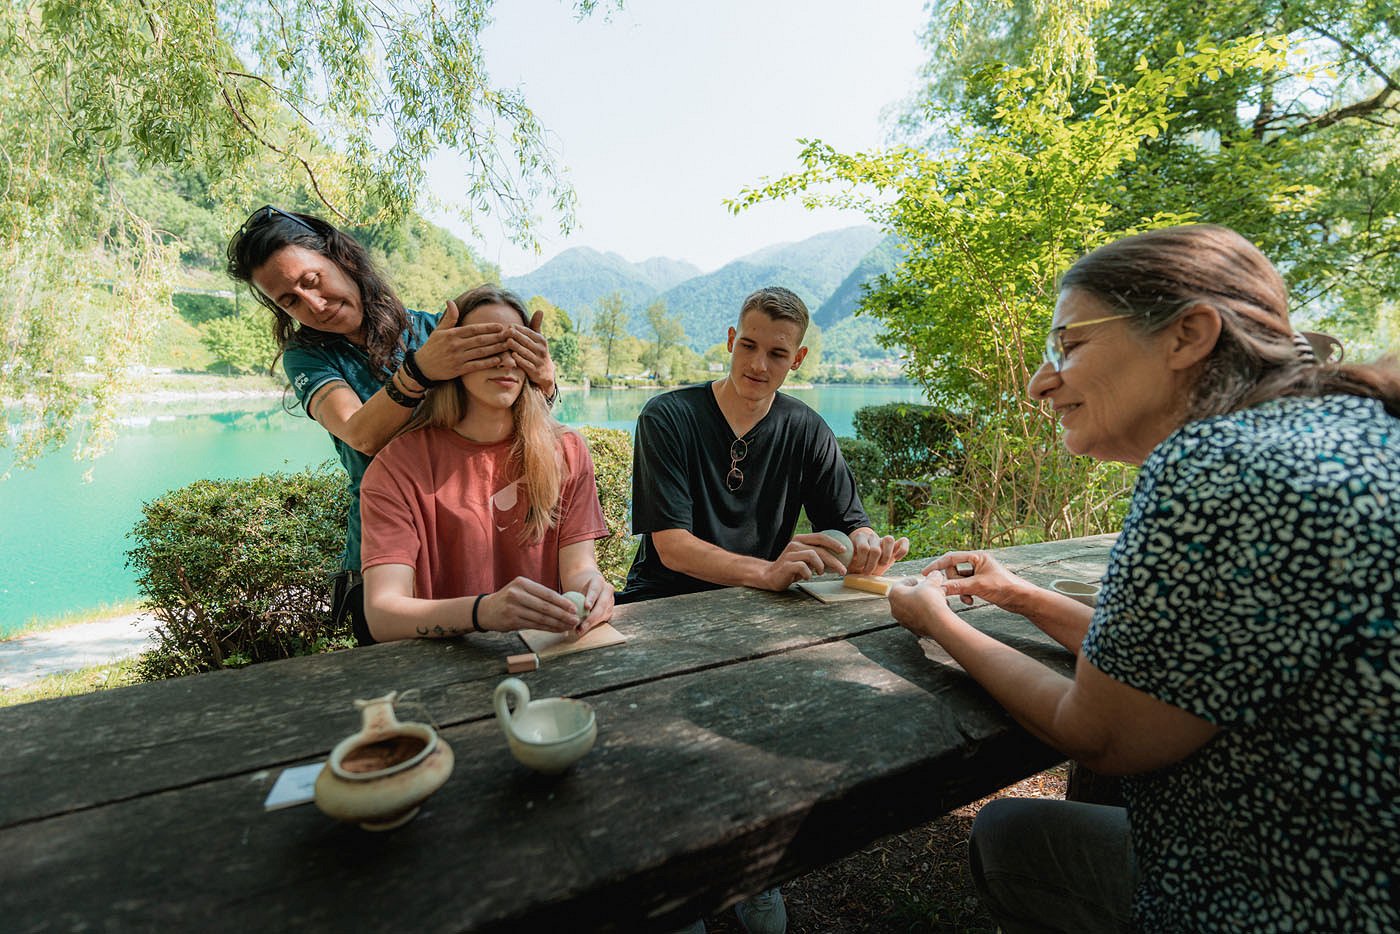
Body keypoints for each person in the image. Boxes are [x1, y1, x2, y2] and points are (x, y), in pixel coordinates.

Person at [886, 225, 1399, 933]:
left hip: (1298, 897)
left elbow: (1104, 734)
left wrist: (936, 621)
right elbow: (1169, 661)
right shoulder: (1335, 431)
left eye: (1069, 345)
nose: (1039, 382)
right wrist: (1021, 596)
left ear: (1188, 335)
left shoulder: (1217, 464)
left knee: (1006, 834)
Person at [621, 286, 910, 934]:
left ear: (797, 358)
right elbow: (671, 546)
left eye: (776, 353)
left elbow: (849, 520)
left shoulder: (804, 428)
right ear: (731, 340)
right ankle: (675, 889)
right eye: (748, 345)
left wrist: (864, 543)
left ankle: (753, 875)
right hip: (661, 605)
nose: (757, 363)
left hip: (759, 611)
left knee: (761, 740)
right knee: (660, 751)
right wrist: (768, 571)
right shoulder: (668, 416)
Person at [226, 206, 557, 642]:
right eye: (289, 301)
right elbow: (360, 433)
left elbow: (510, 414)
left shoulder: (435, 330)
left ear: (342, 258)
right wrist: (421, 370)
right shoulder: (308, 357)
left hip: (466, 545)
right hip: (385, 564)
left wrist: (544, 382)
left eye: (312, 280)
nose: (314, 305)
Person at [357, 285, 613, 642]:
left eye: (519, 347)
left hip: (543, 656)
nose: (507, 361)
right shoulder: (397, 466)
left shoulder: (567, 450)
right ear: (449, 355)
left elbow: (579, 569)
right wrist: (484, 612)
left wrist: (593, 588)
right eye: (487, 346)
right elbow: (383, 615)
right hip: (443, 664)